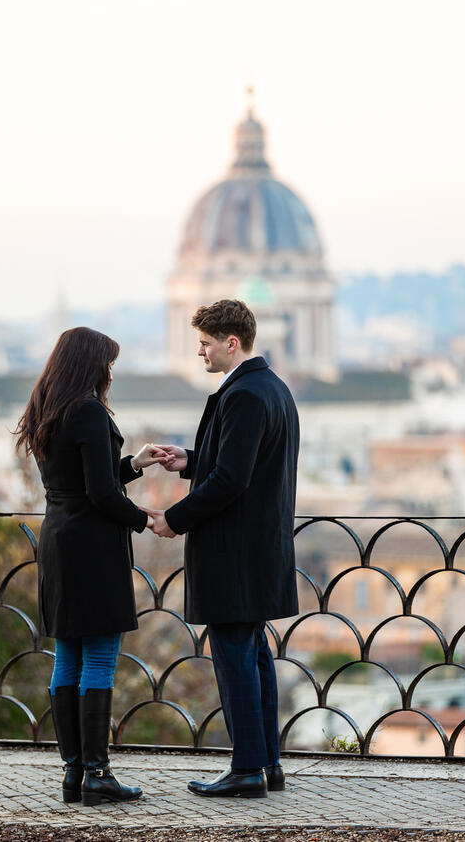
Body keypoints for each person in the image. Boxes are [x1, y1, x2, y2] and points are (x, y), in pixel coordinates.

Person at [146, 299, 300, 799]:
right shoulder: (271, 388)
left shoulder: (245, 395)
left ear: (231, 343)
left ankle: (246, 770)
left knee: (234, 657)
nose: (199, 352)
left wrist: (175, 518)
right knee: (254, 657)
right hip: (259, 548)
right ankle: (267, 765)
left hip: (235, 552)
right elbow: (237, 464)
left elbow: (232, 478)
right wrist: (189, 460)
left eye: (206, 343)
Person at [15, 327, 169, 806]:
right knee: (100, 655)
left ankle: (74, 773)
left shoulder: (48, 408)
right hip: (92, 547)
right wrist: (149, 520)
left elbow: (83, 481)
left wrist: (135, 464)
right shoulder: (87, 409)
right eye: (108, 363)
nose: (110, 373)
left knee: (69, 655)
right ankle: (98, 774)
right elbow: (101, 494)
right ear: (91, 364)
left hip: (59, 540)